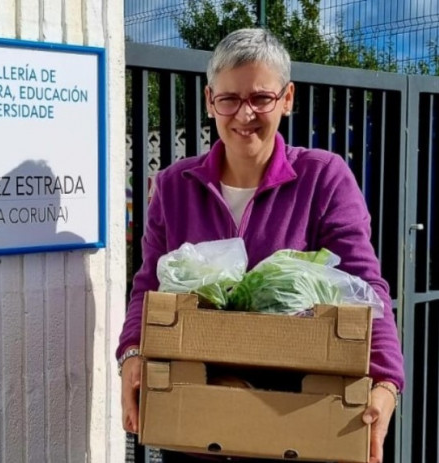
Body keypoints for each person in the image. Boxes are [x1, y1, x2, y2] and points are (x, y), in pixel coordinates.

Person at [117, 28, 404, 463]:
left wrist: (385, 383)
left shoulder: (323, 179)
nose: (244, 114)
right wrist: (132, 354)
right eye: (229, 99)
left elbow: (366, 289)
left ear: (287, 99)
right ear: (210, 101)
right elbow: (148, 286)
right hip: (197, 417)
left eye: (261, 98)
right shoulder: (175, 186)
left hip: (294, 420)